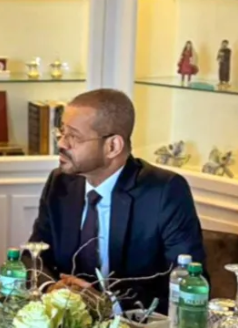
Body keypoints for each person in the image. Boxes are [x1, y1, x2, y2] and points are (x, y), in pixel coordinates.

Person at [28, 88, 206, 314]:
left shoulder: (164, 191)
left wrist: (109, 305)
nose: (62, 144)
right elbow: (34, 255)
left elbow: (188, 281)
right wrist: (51, 288)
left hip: (134, 326)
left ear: (112, 146)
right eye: (62, 132)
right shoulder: (61, 182)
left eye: (74, 136)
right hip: (65, 321)